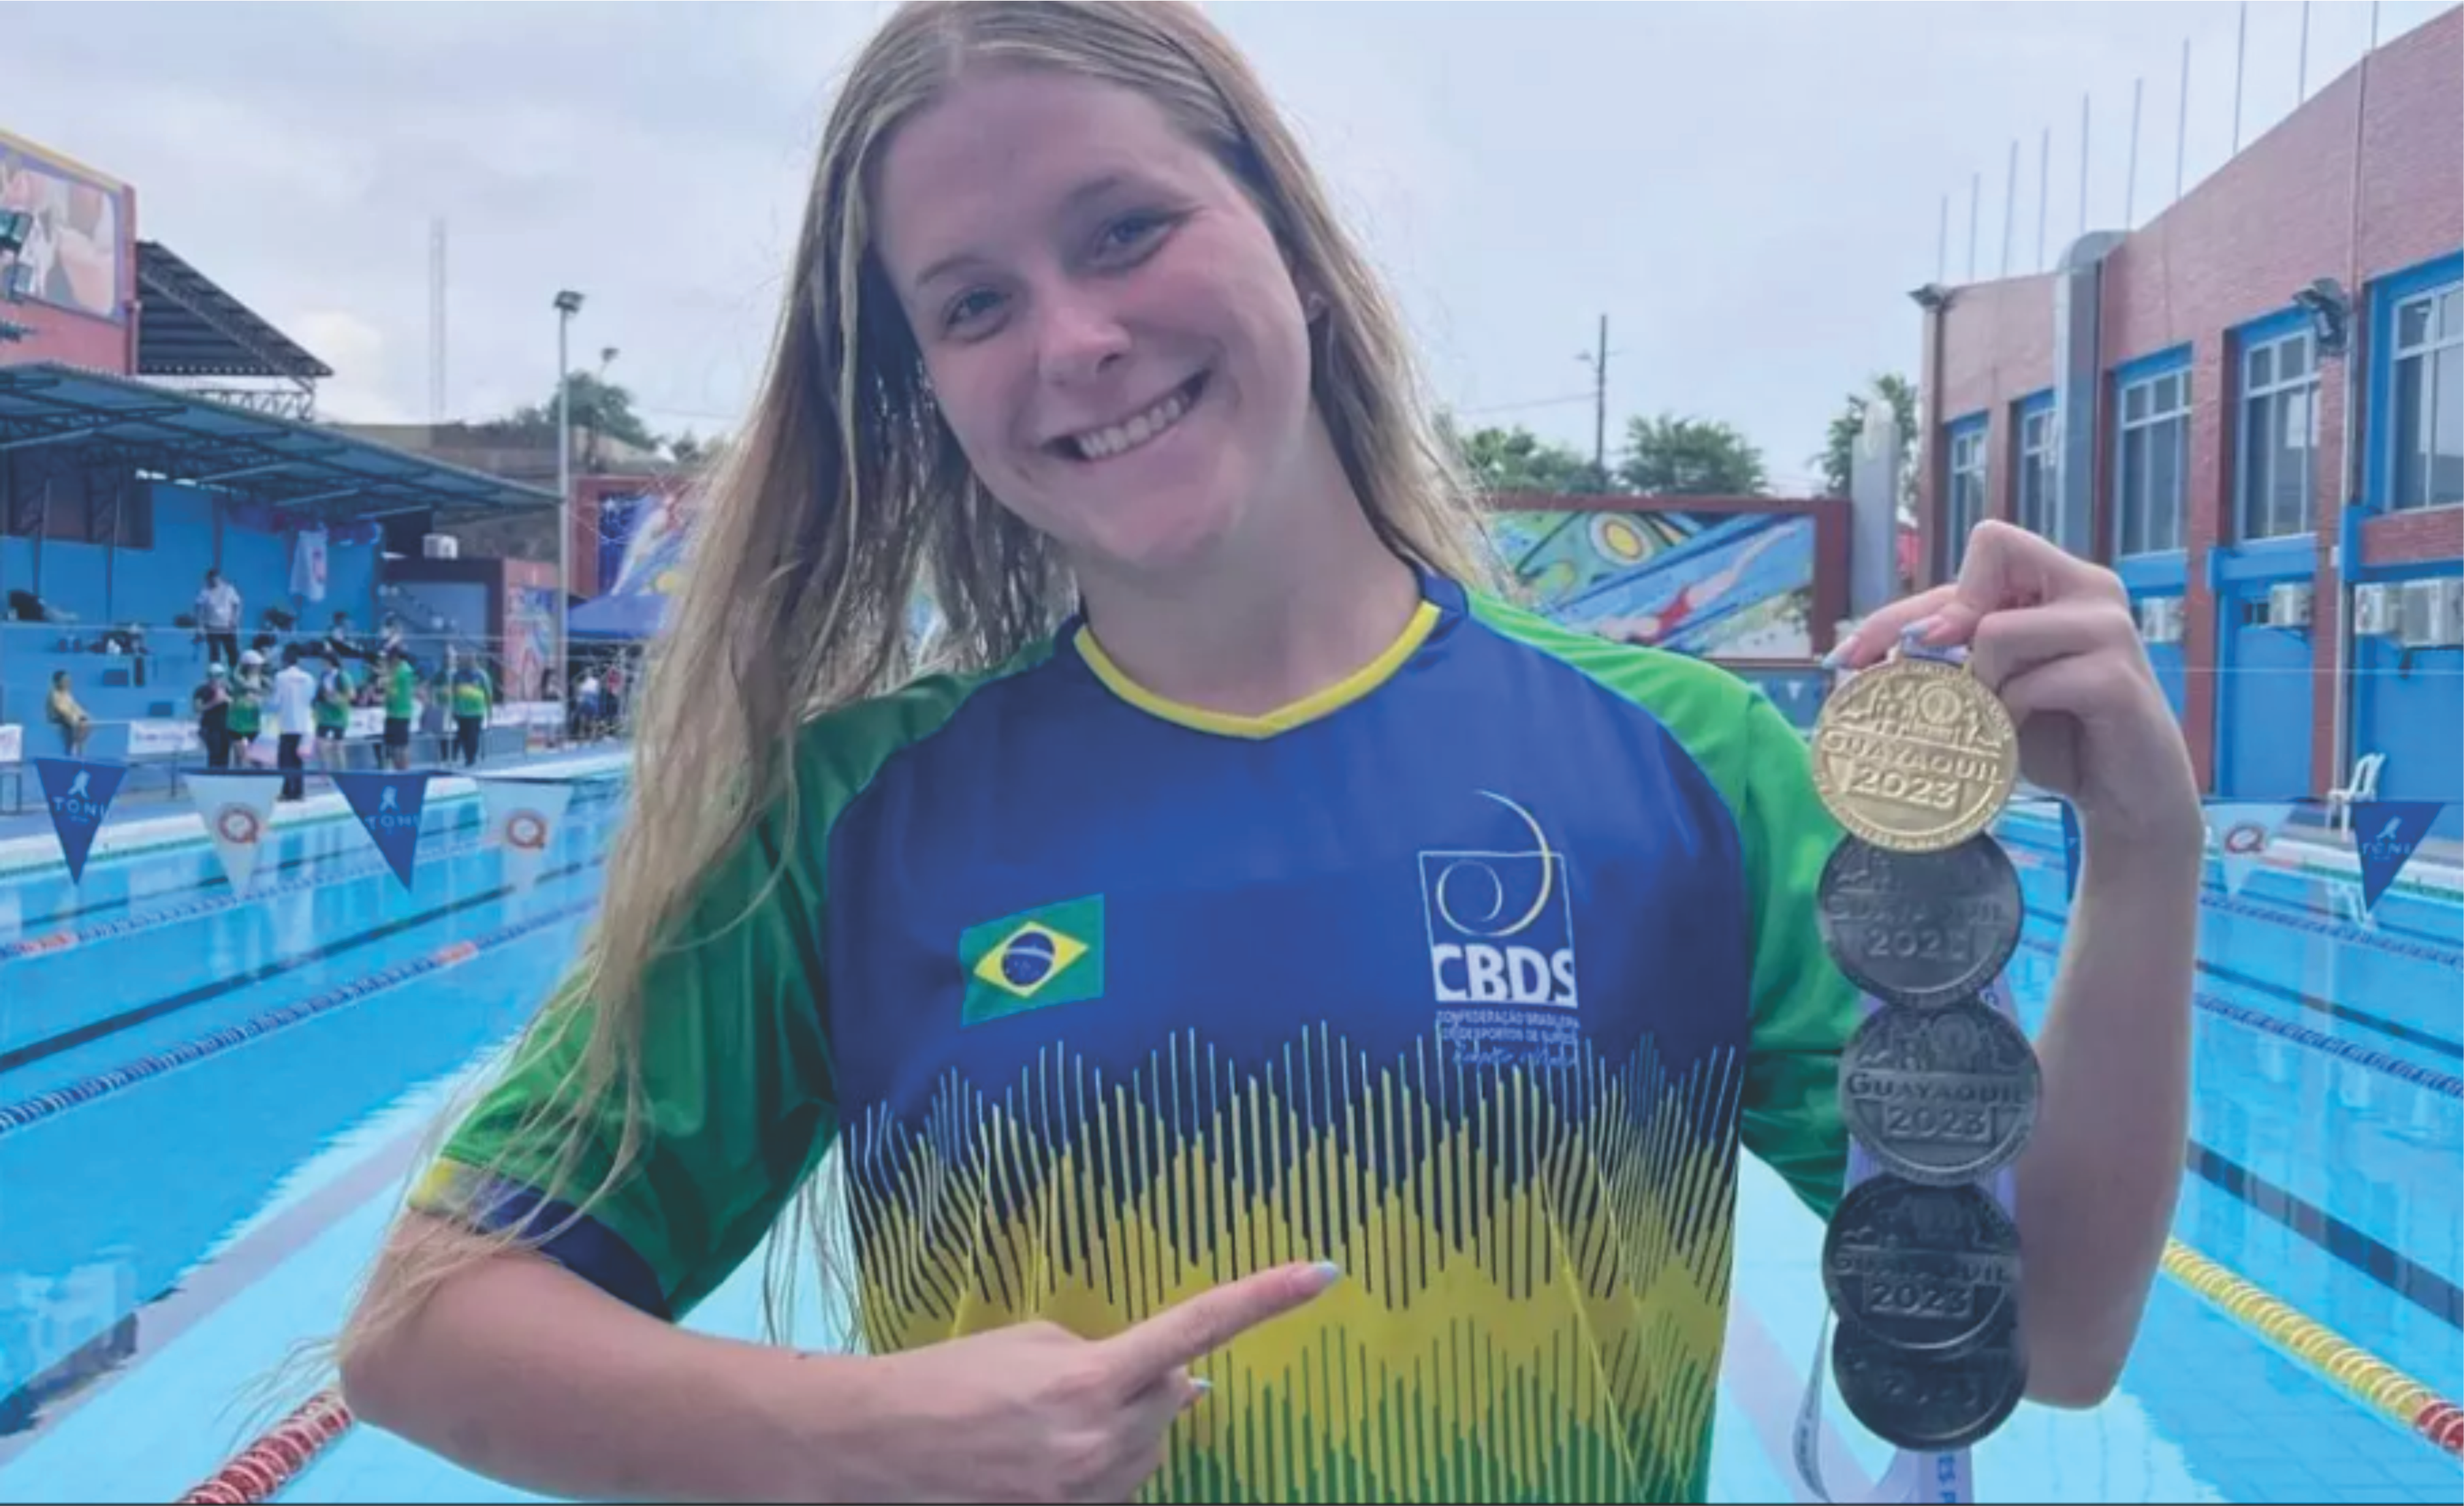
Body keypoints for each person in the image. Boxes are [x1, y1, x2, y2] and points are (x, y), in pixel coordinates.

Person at [334, 7, 2204, 1503]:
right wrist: (856, 1440)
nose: (1074, 338)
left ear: (1294, 253)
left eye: (1125, 229)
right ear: (928, 392)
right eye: (971, 304)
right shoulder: (855, 815)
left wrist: (2145, 854)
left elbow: (2042, 1328)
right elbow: (427, 1331)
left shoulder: (1678, 761)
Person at [271, 644, 317, 802]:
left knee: (285, 760)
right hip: (304, 723)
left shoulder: (280, 677)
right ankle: (299, 792)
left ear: (284, 661)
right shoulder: (309, 677)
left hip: (287, 724)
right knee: (298, 761)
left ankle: (286, 791)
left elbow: (276, 701)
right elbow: (311, 699)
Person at [447, 650, 493, 768]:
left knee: (473, 736)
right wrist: (452, 710)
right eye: (466, 660)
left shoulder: (482, 675)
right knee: (463, 735)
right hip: (462, 712)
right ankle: (463, 755)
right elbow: (452, 694)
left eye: (471, 660)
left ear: (475, 661)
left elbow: (488, 694)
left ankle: (471, 757)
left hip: (476, 712)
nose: (469, 662)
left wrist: (489, 712)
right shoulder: (458, 675)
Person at [380, 646, 420, 772]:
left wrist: (384, 686)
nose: (388, 662)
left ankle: (403, 772)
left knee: (401, 747)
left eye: (390, 659)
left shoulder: (402, 671)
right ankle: (400, 771)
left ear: (396, 658)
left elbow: (393, 694)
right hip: (394, 713)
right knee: (395, 746)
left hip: (400, 714)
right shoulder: (400, 670)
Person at [194, 569, 242, 669]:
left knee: (233, 652)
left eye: (215, 579)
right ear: (208, 580)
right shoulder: (205, 592)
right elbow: (198, 608)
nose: (213, 582)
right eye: (210, 580)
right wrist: (199, 626)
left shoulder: (229, 589)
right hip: (212, 627)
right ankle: (215, 675)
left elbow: (237, 605)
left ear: (220, 578)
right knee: (215, 653)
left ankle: (234, 672)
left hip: (227, 627)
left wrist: (235, 620)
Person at [225, 651, 264, 770]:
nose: (259, 668)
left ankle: (260, 776)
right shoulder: (236, 676)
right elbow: (245, 686)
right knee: (239, 754)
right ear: (249, 666)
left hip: (253, 719)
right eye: (256, 665)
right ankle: (239, 776)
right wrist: (258, 690)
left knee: (257, 755)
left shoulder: (259, 677)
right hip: (237, 719)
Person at [315, 651, 355, 766]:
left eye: (323, 662)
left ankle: (343, 773)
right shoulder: (323, 676)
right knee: (320, 746)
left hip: (339, 716)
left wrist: (337, 700)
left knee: (338, 748)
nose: (321, 664)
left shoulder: (343, 676)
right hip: (324, 717)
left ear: (330, 662)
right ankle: (325, 774)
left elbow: (351, 695)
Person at [192, 663, 233, 770]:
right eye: (213, 675)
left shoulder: (228, 690)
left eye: (219, 675)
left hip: (226, 728)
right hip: (210, 728)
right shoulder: (201, 690)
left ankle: (223, 779)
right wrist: (215, 702)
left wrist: (231, 702)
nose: (216, 679)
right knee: (215, 755)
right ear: (208, 676)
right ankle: (213, 779)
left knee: (225, 756)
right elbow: (197, 709)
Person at [44, 671, 89, 758]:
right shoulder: (54, 694)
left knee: (85, 723)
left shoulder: (67, 694)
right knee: (78, 724)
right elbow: (62, 710)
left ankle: (78, 750)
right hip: (57, 720)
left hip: (68, 720)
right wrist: (76, 718)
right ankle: (73, 749)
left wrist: (83, 715)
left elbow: (75, 707)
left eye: (69, 680)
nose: (68, 682)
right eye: (65, 680)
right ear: (57, 682)